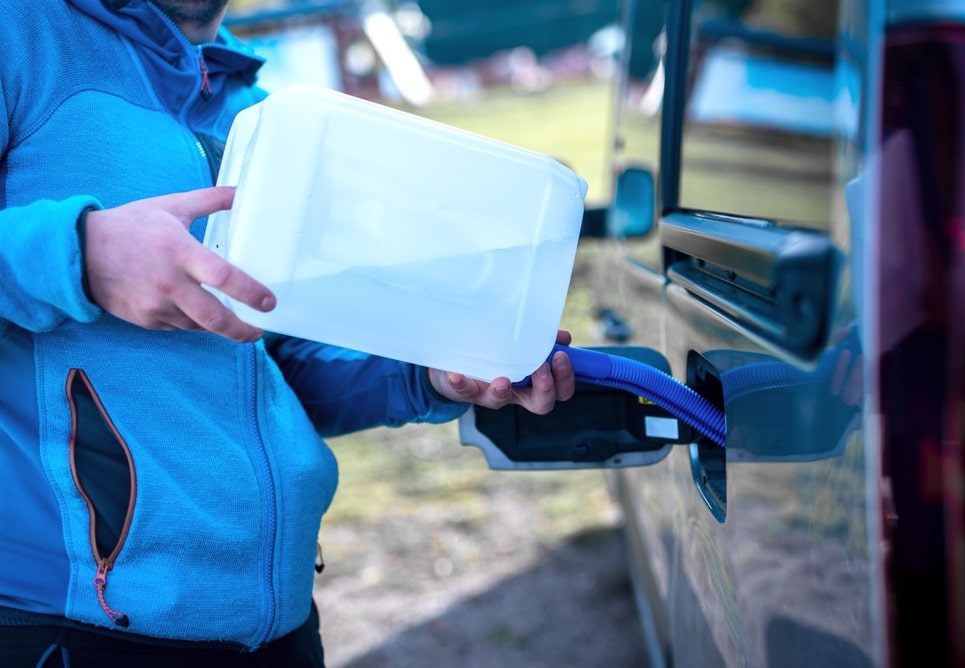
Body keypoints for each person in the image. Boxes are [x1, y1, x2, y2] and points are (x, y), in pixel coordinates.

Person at [0, 1, 577, 666]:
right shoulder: (21, 32)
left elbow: (265, 357)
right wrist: (83, 255)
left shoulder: (251, 98)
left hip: (280, 628)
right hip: (65, 630)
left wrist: (427, 374)